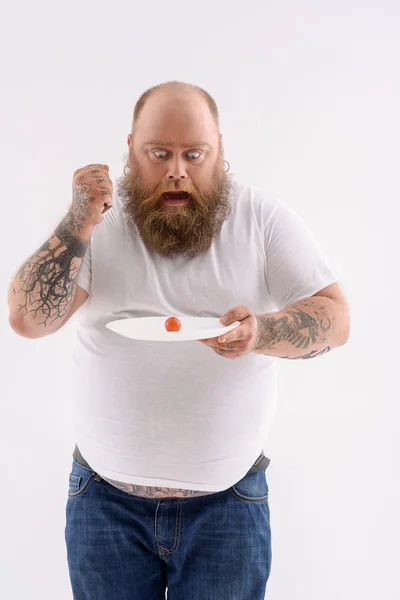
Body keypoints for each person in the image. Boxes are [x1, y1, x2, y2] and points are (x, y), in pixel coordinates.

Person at [8, 80, 350, 600]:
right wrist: (78, 220)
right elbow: (28, 320)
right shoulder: (99, 222)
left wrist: (264, 331)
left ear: (219, 151)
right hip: (104, 503)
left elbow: (336, 319)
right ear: (129, 150)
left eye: (194, 154)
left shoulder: (261, 217)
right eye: (159, 153)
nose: (176, 170)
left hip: (229, 506)